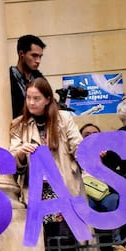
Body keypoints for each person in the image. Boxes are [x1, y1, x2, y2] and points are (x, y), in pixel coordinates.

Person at [9, 77, 84, 207]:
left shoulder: (64, 118)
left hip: (65, 183)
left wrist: (93, 155)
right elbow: (12, 162)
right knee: (45, 227)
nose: (31, 102)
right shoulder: (18, 125)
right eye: (28, 97)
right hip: (37, 189)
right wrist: (21, 152)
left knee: (66, 226)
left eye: (36, 98)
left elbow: (78, 147)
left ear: (47, 99)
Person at [10, 34, 45, 119]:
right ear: (21, 54)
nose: (38, 61)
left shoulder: (39, 78)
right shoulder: (9, 78)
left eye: (40, 56)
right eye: (34, 55)